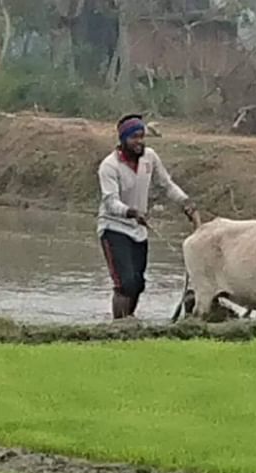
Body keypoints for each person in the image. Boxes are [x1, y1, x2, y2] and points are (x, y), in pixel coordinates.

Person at [97, 114, 199, 320]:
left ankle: (129, 319)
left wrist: (185, 202)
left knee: (138, 283)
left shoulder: (149, 158)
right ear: (123, 139)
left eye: (142, 136)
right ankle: (119, 324)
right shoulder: (109, 166)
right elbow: (110, 201)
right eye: (134, 137)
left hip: (138, 230)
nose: (139, 142)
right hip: (114, 227)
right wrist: (131, 212)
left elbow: (166, 184)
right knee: (124, 283)